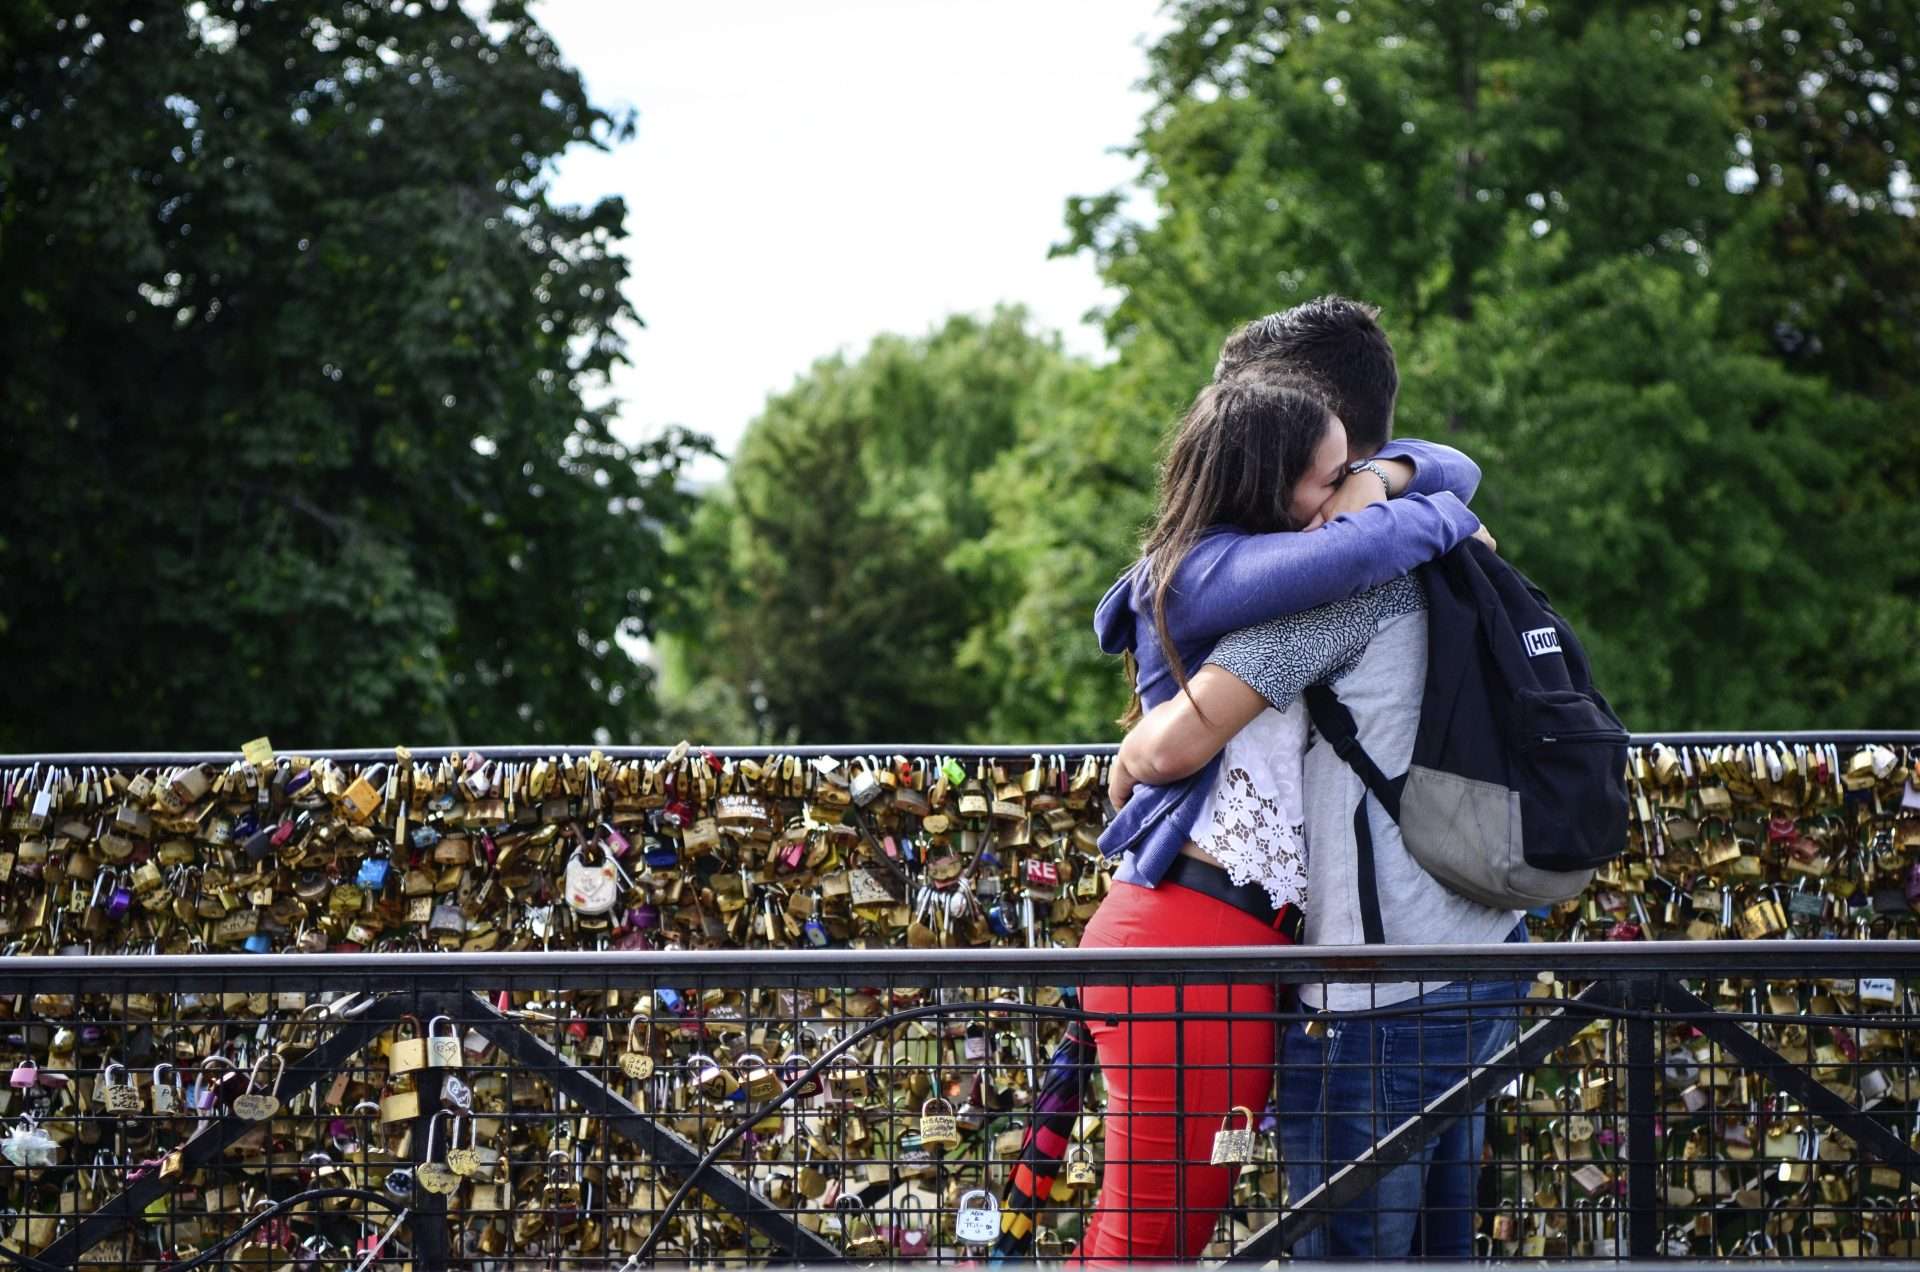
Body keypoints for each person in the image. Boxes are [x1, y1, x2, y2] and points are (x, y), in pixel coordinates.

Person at [1072, 299, 1490, 1263]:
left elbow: (1444, 471)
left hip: (1233, 938)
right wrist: (1425, 510)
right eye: (1324, 477)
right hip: (1193, 932)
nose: (1336, 495)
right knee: (1149, 1242)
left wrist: (1389, 473)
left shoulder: (1270, 563)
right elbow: (1376, 545)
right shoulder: (1221, 575)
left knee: (1165, 1234)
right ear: (1275, 476)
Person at [1113, 471, 1530, 1257]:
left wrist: (1126, 757)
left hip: (1377, 999)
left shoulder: (1336, 594)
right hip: (1489, 953)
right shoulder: (1451, 546)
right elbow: (1453, 473)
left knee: (1348, 1252)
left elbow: (1168, 746)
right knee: (1445, 1247)